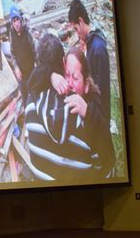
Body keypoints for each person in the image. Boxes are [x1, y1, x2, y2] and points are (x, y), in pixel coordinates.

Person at [26, 37, 114, 180]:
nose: (69, 83)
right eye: (67, 75)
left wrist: (49, 75)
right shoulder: (81, 121)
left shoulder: (31, 102)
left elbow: (32, 81)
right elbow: (106, 164)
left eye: (75, 77)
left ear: (86, 84)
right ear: (62, 63)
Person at [9, 5, 36, 107]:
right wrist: (15, 67)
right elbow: (12, 52)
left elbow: (35, 52)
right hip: (21, 75)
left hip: (31, 72)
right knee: (25, 99)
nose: (16, 23)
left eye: (17, 20)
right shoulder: (12, 33)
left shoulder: (27, 32)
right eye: (14, 21)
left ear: (21, 20)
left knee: (33, 97)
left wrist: (38, 69)